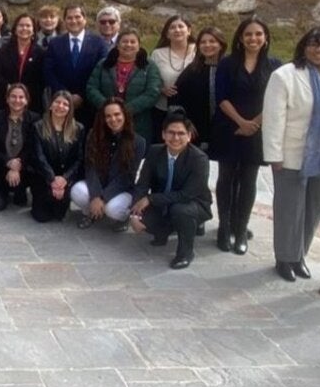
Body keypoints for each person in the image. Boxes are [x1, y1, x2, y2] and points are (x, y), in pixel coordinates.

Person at [264, 28, 320, 283]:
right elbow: (273, 118)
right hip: (291, 154)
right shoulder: (285, 76)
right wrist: (274, 154)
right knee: (289, 208)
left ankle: (299, 255)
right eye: (314, 44)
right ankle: (284, 257)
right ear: (303, 47)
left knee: (314, 206)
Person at [210, 18, 280, 255]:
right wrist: (241, 122)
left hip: (258, 129)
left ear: (266, 37)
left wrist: (253, 124)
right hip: (229, 125)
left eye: (258, 34)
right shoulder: (228, 64)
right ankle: (224, 227)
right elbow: (221, 96)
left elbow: (276, 100)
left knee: (249, 179)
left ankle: (241, 230)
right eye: (248, 34)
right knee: (226, 178)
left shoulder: (274, 65)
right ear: (240, 38)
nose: (253, 39)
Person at [130, 110, 212, 270]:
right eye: (171, 133)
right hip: (164, 201)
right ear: (163, 134)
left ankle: (185, 253)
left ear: (189, 136)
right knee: (143, 215)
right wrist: (134, 214)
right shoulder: (154, 152)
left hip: (192, 204)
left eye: (181, 133)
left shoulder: (199, 159)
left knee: (181, 210)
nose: (175, 138)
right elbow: (142, 184)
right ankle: (163, 231)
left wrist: (150, 199)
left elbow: (187, 195)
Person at [72, 98, 147, 230]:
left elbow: (127, 177)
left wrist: (103, 197)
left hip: (121, 189)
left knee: (113, 209)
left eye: (117, 114)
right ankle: (91, 212)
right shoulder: (93, 135)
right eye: (108, 116)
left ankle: (122, 219)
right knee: (77, 191)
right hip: (99, 184)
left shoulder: (138, 142)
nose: (113, 119)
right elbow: (90, 168)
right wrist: (95, 195)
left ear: (124, 115)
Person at [86, 30, 162, 139]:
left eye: (132, 42)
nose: (128, 45)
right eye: (124, 41)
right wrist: (109, 108)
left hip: (138, 123)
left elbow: (153, 92)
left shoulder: (149, 65)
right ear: (117, 45)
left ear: (139, 45)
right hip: (107, 121)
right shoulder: (104, 64)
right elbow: (91, 88)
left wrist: (126, 110)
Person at [44, 5, 106, 126]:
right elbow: (48, 71)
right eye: (69, 18)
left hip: (88, 103)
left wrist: (82, 95)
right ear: (65, 20)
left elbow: (101, 72)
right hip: (61, 104)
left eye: (77, 17)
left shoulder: (99, 43)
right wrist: (65, 95)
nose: (73, 21)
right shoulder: (55, 43)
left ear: (85, 19)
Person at [29, 91, 85, 223]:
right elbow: (38, 156)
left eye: (65, 104)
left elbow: (79, 158)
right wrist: (52, 179)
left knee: (59, 215)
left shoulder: (78, 128)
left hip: (65, 178)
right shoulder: (38, 126)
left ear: (70, 109)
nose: (60, 106)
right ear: (50, 105)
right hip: (44, 177)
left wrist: (64, 179)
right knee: (41, 217)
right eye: (57, 102)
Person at [172, 27, 226, 151]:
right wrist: (184, 121)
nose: (207, 45)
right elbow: (175, 97)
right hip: (197, 131)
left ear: (221, 44)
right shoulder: (192, 70)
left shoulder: (230, 68)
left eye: (212, 41)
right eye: (203, 42)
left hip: (226, 130)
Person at [0, 84, 38, 212]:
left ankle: (19, 190)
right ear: (7, 99)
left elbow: (32, 147)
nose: (17, 100)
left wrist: (17, 165)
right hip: (0, 168)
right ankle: (3, 189)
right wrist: (8, 162)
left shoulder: (35, 119)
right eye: (13, 96)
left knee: (20, 201)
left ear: (27, 100)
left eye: (21, 97)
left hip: (23, 170)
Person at [150, 16, 197, 140]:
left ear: (189, 31)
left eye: (181, 26)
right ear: (167, 34)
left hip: (193, 108)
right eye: (172, 27)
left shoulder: (199, 51)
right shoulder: (158, 54)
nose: (177, 30)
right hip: (164, 108)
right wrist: (161, 89)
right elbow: (151, 79)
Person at [0, 14, 46, 113]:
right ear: (15, 29)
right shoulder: (4, 50)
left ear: (34, 30)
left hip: (31, 103)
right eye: (21, 25)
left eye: (28, 26)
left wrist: (24, 93)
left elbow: (42, 79)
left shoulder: (40, 52)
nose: (24, 28)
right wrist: (10, 88)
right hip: (5, 101)